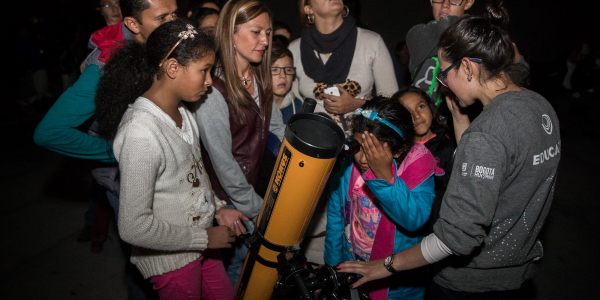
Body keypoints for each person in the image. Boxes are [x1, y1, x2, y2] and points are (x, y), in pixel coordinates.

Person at [337, 2, 561, 299]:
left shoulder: (485, 135)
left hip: (469, 282)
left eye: (444, 74)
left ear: (467, 67)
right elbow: (500, 168)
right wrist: (458, 114)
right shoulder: (540, 107)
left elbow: (456, 239)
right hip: (514, 273)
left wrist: (387, 266)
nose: (443, 84)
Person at [33, 0, 178, 298]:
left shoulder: (161, 44)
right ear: (133, 24)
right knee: (146, 267)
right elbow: (50, 132)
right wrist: (117, 151)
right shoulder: (107, 64)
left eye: (175, 13)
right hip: (128, 181)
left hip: (168, 176)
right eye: (162, 17)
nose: (173, 22)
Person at [98, 20, 243, 300]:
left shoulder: (182, 112)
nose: (210, 81)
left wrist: (217, 208)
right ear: (172, 68)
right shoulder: (141, 133)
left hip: (201, 243)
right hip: (173, 261)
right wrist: (205, 238)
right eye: (204, 71)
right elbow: (134, 227)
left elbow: (192, 178)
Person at [191, 0, 286, 287]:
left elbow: (279, 129)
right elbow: (223, 163)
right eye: (256, 32)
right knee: (235, 280)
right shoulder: (214, 88)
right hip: (229, 201)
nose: (265, 41)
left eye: (268, 33)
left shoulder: (257, 74)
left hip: (253, 188)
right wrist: (261, 211)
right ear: (230, 32)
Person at [326, 97, 442, 300]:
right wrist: (334, 264)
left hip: (397, 284)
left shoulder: (418, 164)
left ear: (398, 149)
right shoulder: (349, 167)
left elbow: (414, 219)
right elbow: (337, 212)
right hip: (353, 263)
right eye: (358, 147)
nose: (362, 159)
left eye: (373, 151)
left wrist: (385, 177)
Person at [290, 0, 398, 137]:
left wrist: (357, 104)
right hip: (316, 143)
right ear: (308, 9)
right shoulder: (294, 51)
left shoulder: (371, 42)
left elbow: (393, 103)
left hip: (363, 142)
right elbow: (293, 109)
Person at [393, 87, 456, 235]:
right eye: (407, 112)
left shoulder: (449, 145)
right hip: (405, 231)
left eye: (421, 106)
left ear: (430, 108)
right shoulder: (396, 152)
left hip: (439, 231)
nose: (416, 115)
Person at [271, 41, 302, 123]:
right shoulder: (252, 107)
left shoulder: (298, 106)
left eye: (288, 70)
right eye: (274, 70)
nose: (283, 75)